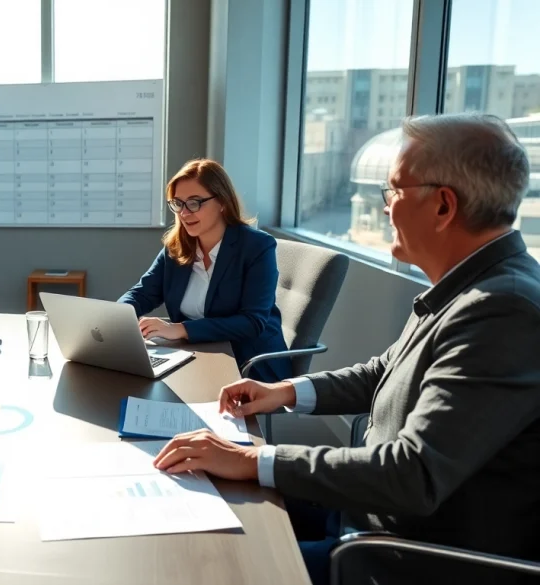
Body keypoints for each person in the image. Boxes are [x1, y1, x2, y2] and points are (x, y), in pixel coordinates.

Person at [151, 113, 540, 585]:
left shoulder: (504, 310)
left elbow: (411, 474)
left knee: (210, 569)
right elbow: (385, 371)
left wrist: (252, 459)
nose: (384, 208)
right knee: (196, 507)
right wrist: (287, 391)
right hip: (363, 514)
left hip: (397, 556)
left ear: (443, 206)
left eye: (394, 191)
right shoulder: (468, 287)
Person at [118, 158, 291, 382]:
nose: (184, 213)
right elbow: (142, 293)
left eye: (194, 202)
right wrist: (118, 319)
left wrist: (180, 330)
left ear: (222, 203)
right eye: (178, 203)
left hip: (249, 366)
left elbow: (252, 322)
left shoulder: (257, 247)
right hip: (196, 356)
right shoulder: (177, 247)